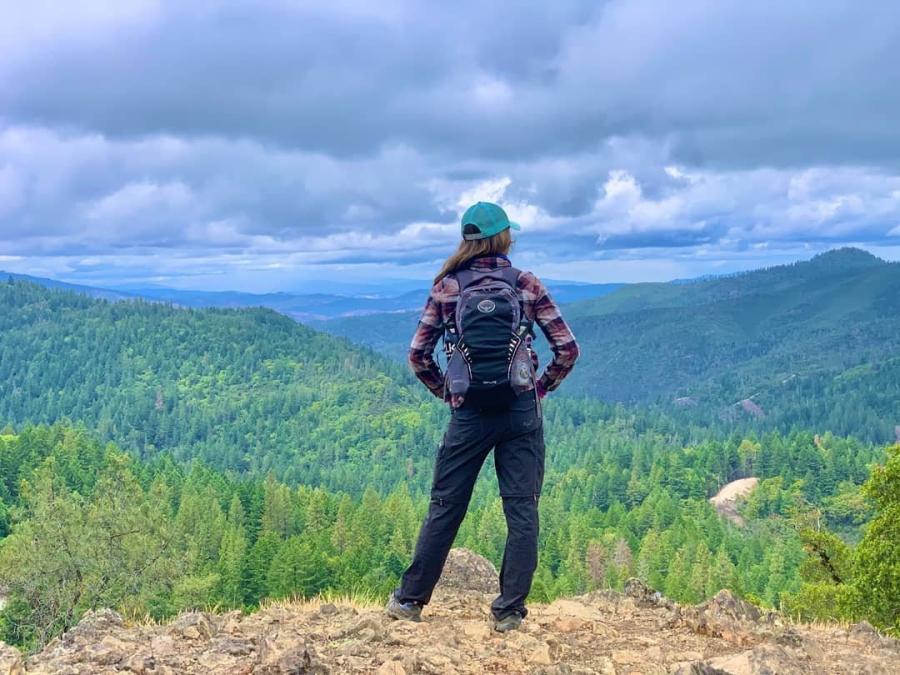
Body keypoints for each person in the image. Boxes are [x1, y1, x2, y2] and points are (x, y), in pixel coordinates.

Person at [386, 201, 580, 632]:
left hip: (469, 414)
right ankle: (509, 611)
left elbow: (419, 355)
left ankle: (410, 601)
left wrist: (449, 394)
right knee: (522, 510)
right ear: (506, 236)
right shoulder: (526, 284)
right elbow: (567, 349)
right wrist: (540, 389)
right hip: (520, 411)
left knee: (445, 506)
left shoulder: (448, 288)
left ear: (466, 240)